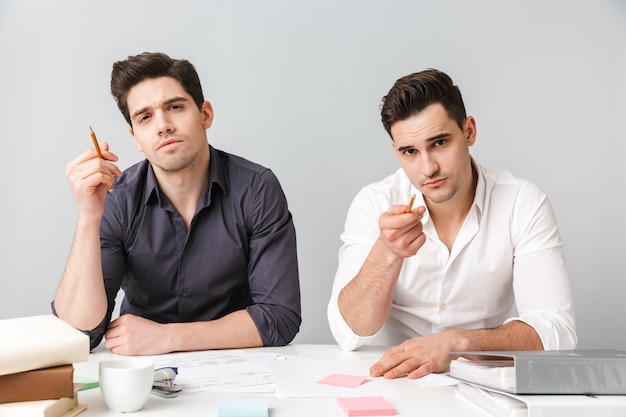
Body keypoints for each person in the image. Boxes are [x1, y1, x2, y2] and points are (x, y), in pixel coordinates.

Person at [327, 68, 576, 379]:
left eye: (440, 142)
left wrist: (457, 344)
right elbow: (349, 332)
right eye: (410, 152)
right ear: (395, 151)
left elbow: (557, 332)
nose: (428, 168)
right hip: (390, 381)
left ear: (468, 131)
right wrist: (387, 253)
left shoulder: (522, 203)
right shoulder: (374, 203)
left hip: (480, 382)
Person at [53, 52, 301, 355]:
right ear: (136, 138)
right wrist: (88, 218)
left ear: (205, 114)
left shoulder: (256, 188)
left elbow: (279, 317)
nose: (163, 125)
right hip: (144, 375)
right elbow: (79, 334)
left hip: (236, 366)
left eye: (175, 107)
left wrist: (169, 338)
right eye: (145, 117)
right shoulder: (118, 198)